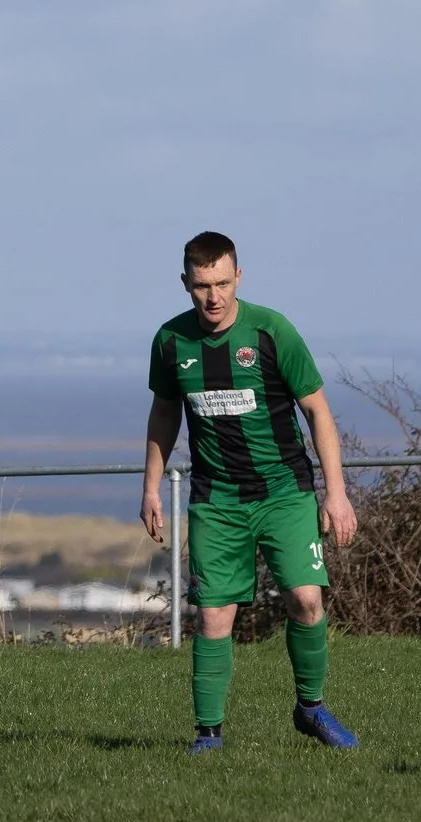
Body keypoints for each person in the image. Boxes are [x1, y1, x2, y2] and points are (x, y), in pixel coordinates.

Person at [140, 232, 360, 753]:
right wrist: (150, 487)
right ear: (185, 284)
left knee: (307, 600)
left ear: (239, 276)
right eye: (201, 286)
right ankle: (208, 736)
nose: (213, 297)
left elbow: (318, 411)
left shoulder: (272, 331)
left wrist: (337, 493)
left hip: (284, 492)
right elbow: (164, 413)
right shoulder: (171, 342)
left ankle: (310, 708)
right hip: (216, 500)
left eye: (221, 283)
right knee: (213, 616)